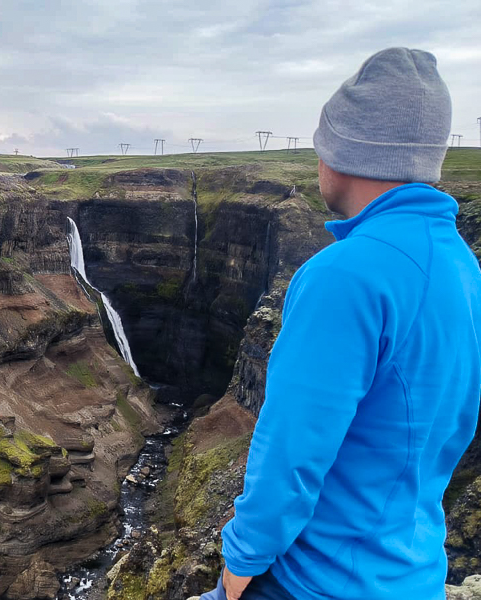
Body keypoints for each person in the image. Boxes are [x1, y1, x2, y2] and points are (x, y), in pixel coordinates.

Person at [201, 47, 481, 600]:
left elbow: (291, 441)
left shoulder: (344, 274)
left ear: (344, 150)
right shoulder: (460, 264)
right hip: (408, 572)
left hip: (318, 581)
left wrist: (244, 558)